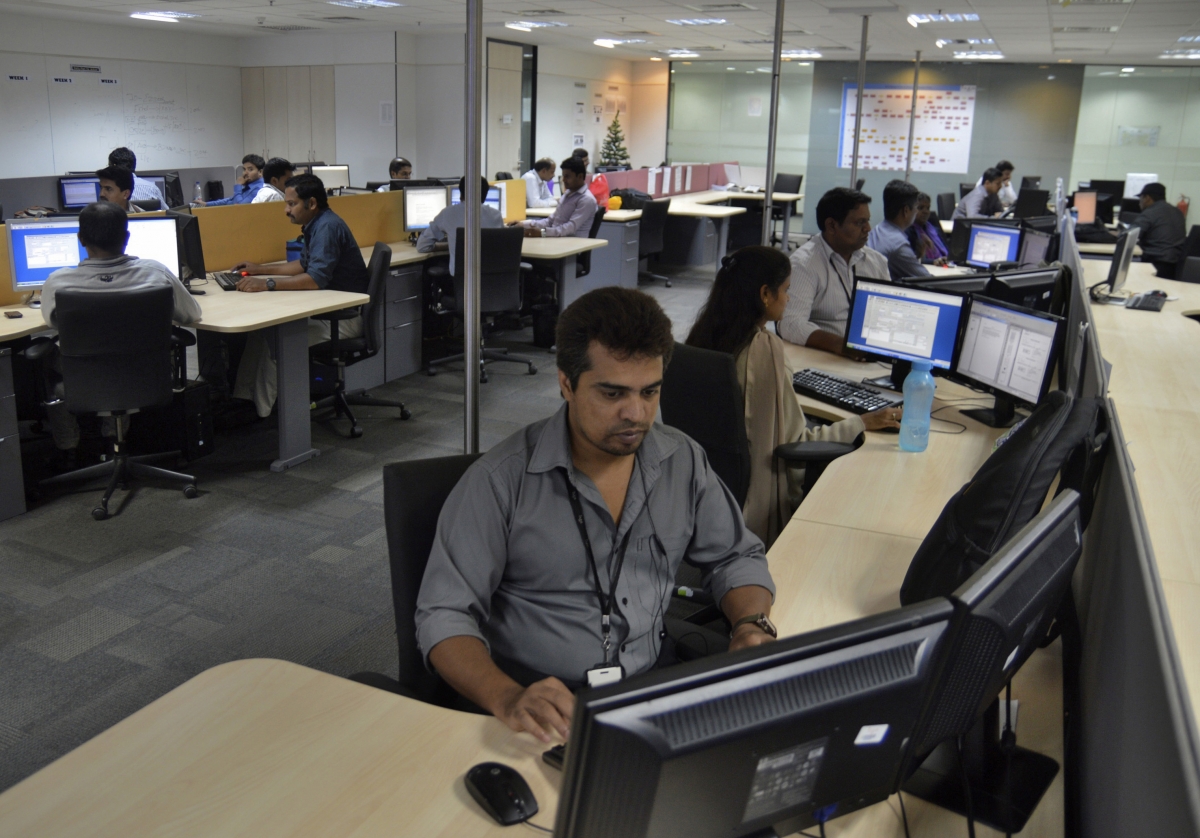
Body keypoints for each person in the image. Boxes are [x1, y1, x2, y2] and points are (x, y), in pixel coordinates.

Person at [416, 286, 777, 740]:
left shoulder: (681, 460)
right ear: (566, 383)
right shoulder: (499, 481)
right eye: (612, 393)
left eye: (650, 392)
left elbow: (735, 557)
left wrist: (749, 624)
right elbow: (443, 615)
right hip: (537, 702)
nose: (637, 414)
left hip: (648, 684)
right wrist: (506, 696)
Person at [687, 247, 901, 545]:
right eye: (786, 290)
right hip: (755, 504)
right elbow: (794, 445)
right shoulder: (762, 351)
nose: (788, 299)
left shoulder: (704, 335)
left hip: (708, 488)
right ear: (765, 294)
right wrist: (861, 422)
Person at [40, 202, 201, 469]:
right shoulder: (155, 273)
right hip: (146, 378)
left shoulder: (58, 283)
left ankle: (69, 449)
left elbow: (52, 321)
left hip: (83, 383)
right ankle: (113, 438)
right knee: (124, 355)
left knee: (51, 360)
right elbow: (191, 314)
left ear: (81, 239)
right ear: (126, 237)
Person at [227, 174, 369, 418]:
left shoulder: (327, 227)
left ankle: (261, 412)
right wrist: (259, 269)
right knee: (260, 332)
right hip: (328, 312)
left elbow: (314, 280)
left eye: (291, 204)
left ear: (311, 203)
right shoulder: (317, 223)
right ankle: (244, 399)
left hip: (343, 320)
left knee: (276, 339)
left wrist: (266, 284)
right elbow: (303, 265)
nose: (286, 210)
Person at [778, 187, 889, 355]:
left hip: (872, 354)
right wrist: (844, 346)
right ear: (831, 225)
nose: (868, 228)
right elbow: (791, 323)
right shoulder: (804, 264)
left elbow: (887, 314)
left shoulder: (877, 262)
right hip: (827, 357)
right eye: (859, 222)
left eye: (867, 221)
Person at [416, 175, 505, 275]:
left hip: (461, 280)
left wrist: (452, 244)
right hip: (493, 279)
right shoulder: (496, 215)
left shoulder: (448, 214)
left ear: (461, 194)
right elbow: (502, 245)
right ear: (484, 196)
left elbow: (422, 246)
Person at [513, 156, 596, 238]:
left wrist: (542, 232)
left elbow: (570, 228)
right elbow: (550, 221)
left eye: (567, 176)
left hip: (572, 243)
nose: (563, 180)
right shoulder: (567, 194)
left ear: (580, 176)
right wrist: (524, 224)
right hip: (557, 238)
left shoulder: (586, 199)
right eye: (563, 176)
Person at [867, 179, 930, 280]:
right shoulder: (898, 245)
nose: (916, 212)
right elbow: (927, 280)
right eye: (916, 207)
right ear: (906, 211)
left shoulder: (877, 229)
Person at [1130, 182, 1187, 278]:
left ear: (1147, 198)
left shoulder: (1149, 213)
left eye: (1141, 198)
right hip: (1176, 266)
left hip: (1154, 263)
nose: (1139, 202)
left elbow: (1130, 235)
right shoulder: (1177, 212)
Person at [196, 154, 266, 207]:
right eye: (244, 169)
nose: (245, 173)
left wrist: (238, 185)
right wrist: (206, 204)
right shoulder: (248, 184)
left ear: (260, 172)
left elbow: (239, 207)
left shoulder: (259, 189)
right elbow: (230, 200)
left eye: (250, 169)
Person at [907, 192, 950, 264]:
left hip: (947, 264)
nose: (925, 211)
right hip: (929, 267)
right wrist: (933, 261)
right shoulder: (909, 231)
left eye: (928, 208)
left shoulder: (934, 229)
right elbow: (914, 259)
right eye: (920, 208)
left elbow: (948, 252)